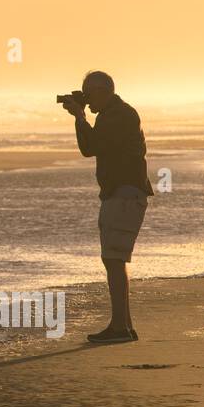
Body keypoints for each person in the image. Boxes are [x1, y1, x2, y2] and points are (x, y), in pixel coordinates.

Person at [62, 70, 152, 344]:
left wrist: (80, 118)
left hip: (123, 195)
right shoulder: (116, 114)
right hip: (123, 193)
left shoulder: (118, 115)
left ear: (104, 90)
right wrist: (83, 117)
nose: (87, 101)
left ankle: (120, 327)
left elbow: (90, 147)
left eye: (88, 94)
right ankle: (123, 324)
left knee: (114, 258)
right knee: (114, 259)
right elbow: (94, 147)